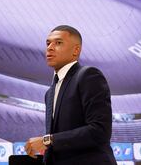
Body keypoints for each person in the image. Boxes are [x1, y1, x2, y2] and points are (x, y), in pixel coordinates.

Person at [25, 25, 117, 165]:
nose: (50, 48)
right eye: (48, 43)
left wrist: (47, 140)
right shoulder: (49, 93)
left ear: (76, 50)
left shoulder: (88, 75)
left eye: (58, 43)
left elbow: (100, 130)